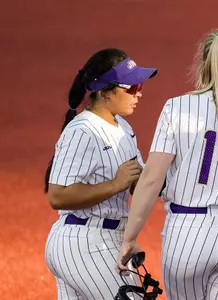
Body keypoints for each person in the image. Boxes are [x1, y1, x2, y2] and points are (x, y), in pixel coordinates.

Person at [115, 29, 218, 299]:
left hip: (187, 234)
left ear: (204, 64)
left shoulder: (176, 107)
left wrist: (129, 237)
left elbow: (152, 179)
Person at [44, 48, 157, 299]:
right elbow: (58, 196)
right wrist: (115, 184)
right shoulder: (82, 131)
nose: (139, 93)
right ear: (105, 92)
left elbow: (138, 181)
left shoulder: (123, 127)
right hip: (84, 241)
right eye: (131, 87)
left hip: (106, 237)